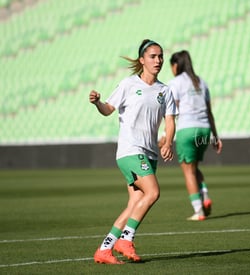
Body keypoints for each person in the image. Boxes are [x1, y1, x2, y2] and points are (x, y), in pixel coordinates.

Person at [89, 39, 177, 264]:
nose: (158, 60)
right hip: (130, 149)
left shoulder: (164, 90)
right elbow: (108, 109)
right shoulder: (128, 84)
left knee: (134, 205)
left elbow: (170, 120)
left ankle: (104, 249)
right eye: (152, 56)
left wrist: (167, 141)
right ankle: (126, 239)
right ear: (142, 60)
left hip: (149, 153)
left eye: (160, 56)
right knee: (153, 192)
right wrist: (98, 102)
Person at [166, 50, 222, 221]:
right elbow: (209, 112)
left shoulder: (175, 83)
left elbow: (172, 111)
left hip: (187, 129)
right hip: (204, 129)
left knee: (188, 172)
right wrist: (215, 136)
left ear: (175, 65)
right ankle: (204, 195)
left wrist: (164, 134)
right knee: (194, 168)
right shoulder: (201, 82)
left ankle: (199, 210)